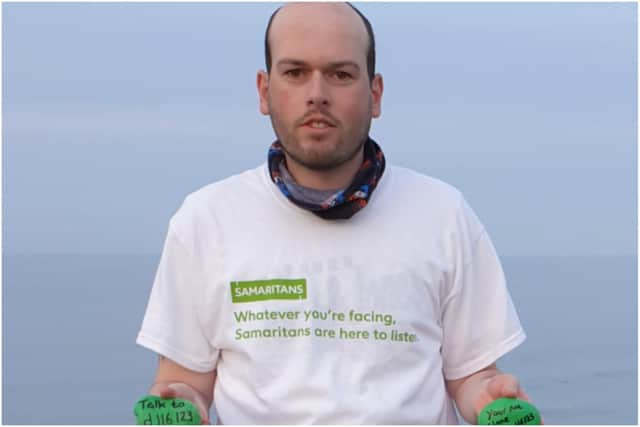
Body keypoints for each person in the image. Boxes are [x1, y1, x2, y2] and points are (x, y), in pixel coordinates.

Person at [137, 2, 535, 424]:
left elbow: (471, 376)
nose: (317, 94)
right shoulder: (206, 219)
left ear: (375, 94)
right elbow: (187, 380)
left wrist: (491, 398)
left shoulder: (443, 213)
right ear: (264, 91)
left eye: (341, 74)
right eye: (294, 72)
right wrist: (177, 401)